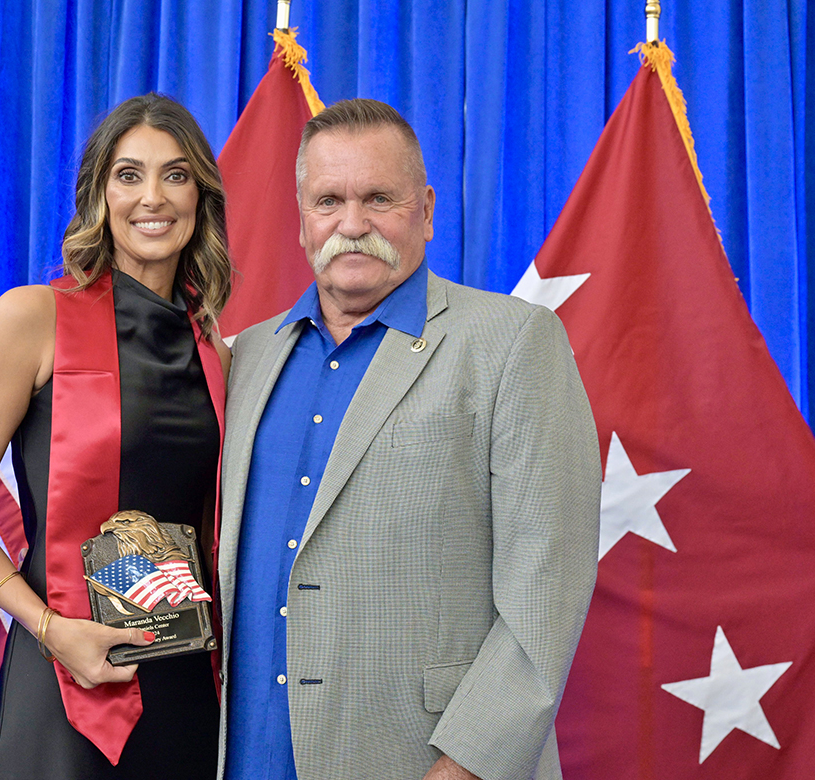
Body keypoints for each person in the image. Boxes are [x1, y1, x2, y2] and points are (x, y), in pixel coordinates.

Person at [217, 99, 601, 780]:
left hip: (423, 763)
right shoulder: (245, 356)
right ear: (302, 219)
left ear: (425, 210)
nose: (352, 224)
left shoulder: (514, 342)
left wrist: (462, 770)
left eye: (378, 198)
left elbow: (546, 591)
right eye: (329, 201)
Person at [0, 93, 232, 780]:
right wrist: (49, 629)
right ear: (100, 194)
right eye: (129, 175)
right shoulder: (34, 318)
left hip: (183, 682)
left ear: (200, 197)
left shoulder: (216, 351)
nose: (152, 197)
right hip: (62, 675)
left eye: (175, 175)